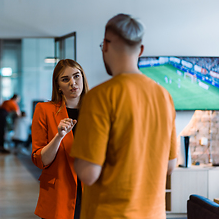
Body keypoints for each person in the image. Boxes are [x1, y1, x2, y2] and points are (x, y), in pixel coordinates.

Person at [71, 14, 178, 219]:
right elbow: (170, 166)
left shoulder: (99, 96)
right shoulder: (164, 96)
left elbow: (88, 173)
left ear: (105, 46)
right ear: (141, 50)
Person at [31, 59, 89, 219]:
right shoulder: (44, 110)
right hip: (59, 195)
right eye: (65, 79)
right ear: (58, 86)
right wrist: (59, 137)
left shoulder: (97, 110)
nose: (73, 82)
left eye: (77, 76)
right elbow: (40, 160)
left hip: (92, 191)